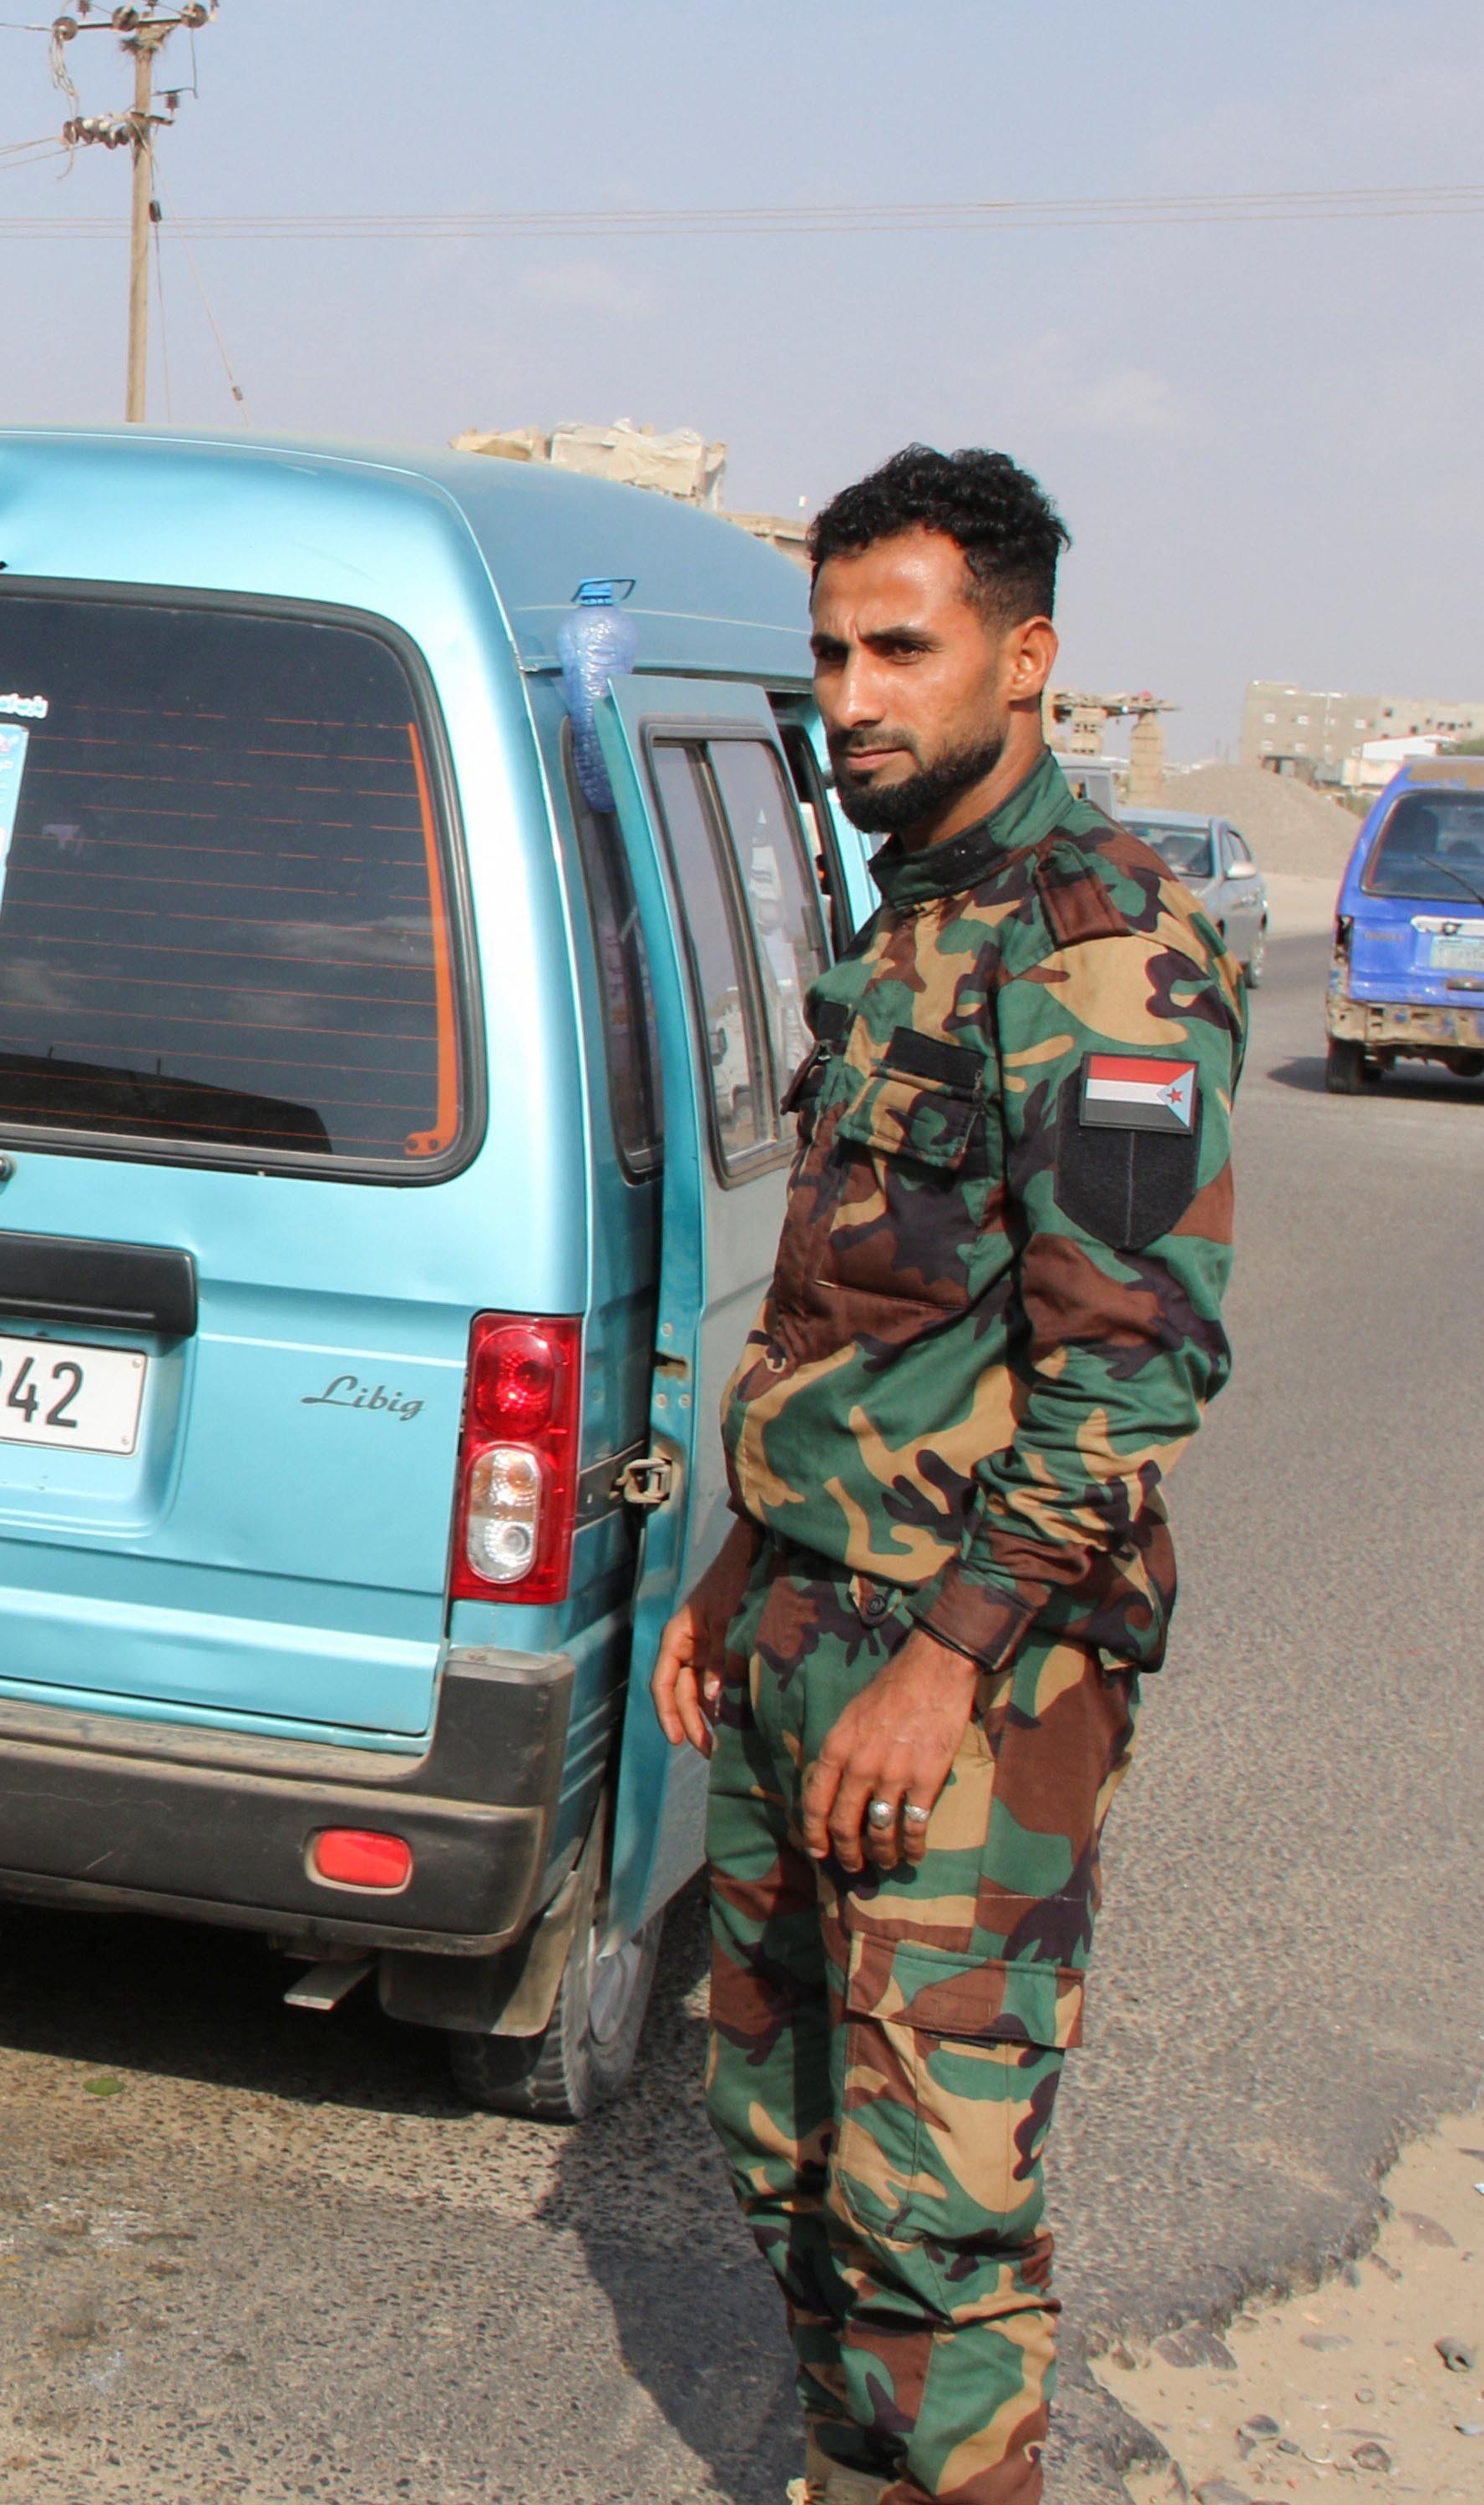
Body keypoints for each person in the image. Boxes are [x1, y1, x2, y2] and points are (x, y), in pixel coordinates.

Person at [652, 445, 1238, 2505]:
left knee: (928, 2206)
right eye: (830, 653)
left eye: (900, 649)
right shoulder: (920, 914)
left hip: (968, 1671)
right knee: (785, 2138)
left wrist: (945, 1656)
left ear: (1027, 655)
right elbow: (841, 1305)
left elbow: (1130, 1365)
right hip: (810, 1617)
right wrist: (741, 1564)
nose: (853, 696)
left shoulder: (1105, 946)